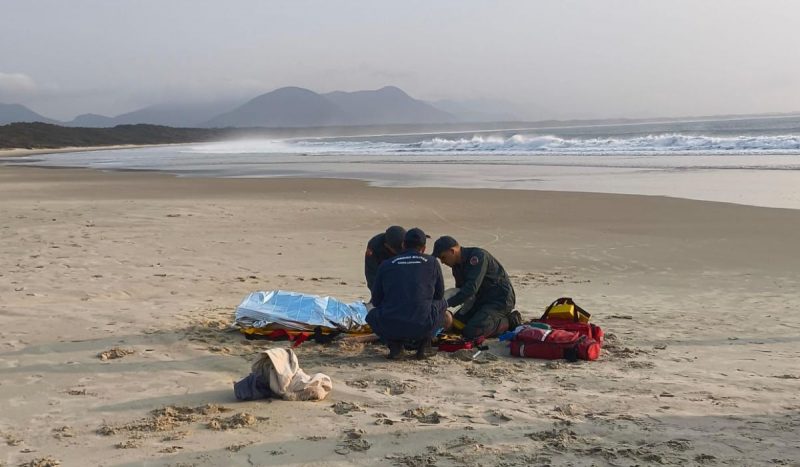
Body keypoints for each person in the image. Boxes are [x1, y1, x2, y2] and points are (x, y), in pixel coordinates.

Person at [365, 228, 449, 360]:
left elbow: (376, 300)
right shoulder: (432, 262)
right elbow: (439, 295)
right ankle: (424, 346)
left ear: (403, 245)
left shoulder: (386, 264)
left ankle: (395, 347)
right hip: (422, 324)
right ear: (423, 248)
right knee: (442, 302)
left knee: (371, 312)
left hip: (391, 324)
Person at [432, 236, 520, 339]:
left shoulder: (477, 257)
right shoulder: (456, 266)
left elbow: (470, 289)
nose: (442, 262)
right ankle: (485, 318)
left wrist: (445, 304)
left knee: (472, 332)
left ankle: (510, 321)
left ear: (452, 251)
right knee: (455, 325)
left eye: (443, 257)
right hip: (478, 301)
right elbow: (461, 292)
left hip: (499, 300)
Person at [364, 225, 406, 293]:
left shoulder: (409, 241)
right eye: (397, 250)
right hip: (382, 263)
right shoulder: (374, 246)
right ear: (387, 245)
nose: (399, 252)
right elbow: (371, 274)